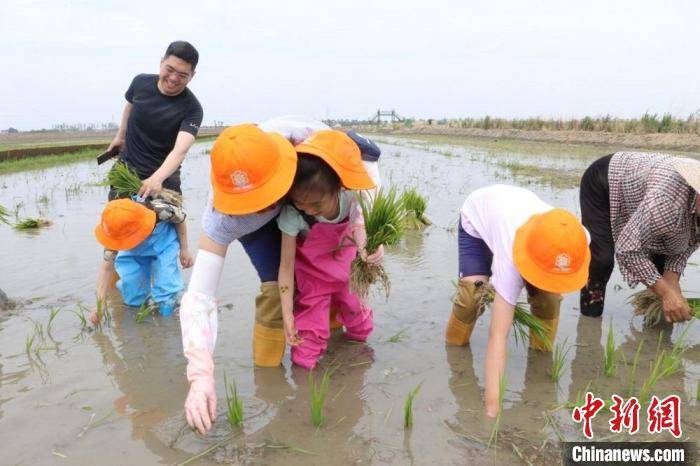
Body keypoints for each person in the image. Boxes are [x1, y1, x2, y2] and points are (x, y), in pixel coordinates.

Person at [180, 124, 297, 434]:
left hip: (303, 201)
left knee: (317, 277)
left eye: (266, 195)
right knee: (276, 289)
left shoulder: (302, 139)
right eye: (252, 201)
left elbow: (360, 169)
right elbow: (198, 297)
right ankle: (268, 378)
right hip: (256, 231)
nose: (263, 204)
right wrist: (200, 375)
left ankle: (329, 336)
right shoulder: (222, 219)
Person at [445, 184, 590, 417]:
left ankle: (541, 357)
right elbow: (497, 337)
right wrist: (492, 412)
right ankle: (454, 350)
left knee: (549, 299)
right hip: (479, 217)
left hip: (525, 220)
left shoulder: (577, 237)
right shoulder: (510, 261)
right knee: (471, 296)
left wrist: (553, 286)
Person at [96, 40, 202, 302]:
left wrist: (157, 177)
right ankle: (120, 301)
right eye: (170, 69)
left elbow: (180, 150)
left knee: (164, 244)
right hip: (127, 175)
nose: (174, 78)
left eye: (183, 75)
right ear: (161, 62)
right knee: (122, 240)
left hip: (163, 183)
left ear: (192, 76)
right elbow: (130, 106)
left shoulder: (192, 108)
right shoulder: (141, 83)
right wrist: (120, 135)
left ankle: (166, 297)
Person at [276, 130, 382, 369]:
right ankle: (304, 380)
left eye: (316, 204)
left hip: (347, 272)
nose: (309, 210)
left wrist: (371, 251)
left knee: (358, 315)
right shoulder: (293, 214)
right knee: (308, 333)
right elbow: (286, 265)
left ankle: (358, 359)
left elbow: (361, 230)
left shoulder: (352, 198)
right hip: (313, 278)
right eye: (301, 203)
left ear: (337, 188)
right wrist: (287, 315)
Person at [579, 152, 700, 322]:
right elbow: (627, 249)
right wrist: (666, 292)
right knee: (601, 260)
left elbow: (685, 243)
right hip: (604, 181)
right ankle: (589, 321)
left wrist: (672, 280)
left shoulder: (682, 212)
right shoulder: (666, 202)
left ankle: (656, 327)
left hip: (646, 193)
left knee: (662, 270)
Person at [94, 198, 186, 315]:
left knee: (166, 284)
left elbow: (181, 219)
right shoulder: (115, 231)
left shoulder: (160, 210)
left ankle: (167, 315)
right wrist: (99, 305)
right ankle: (138, 317)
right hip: (134, 253)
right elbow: (106, 269)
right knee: (133, 290)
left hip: (164, 246)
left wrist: (185, 249)